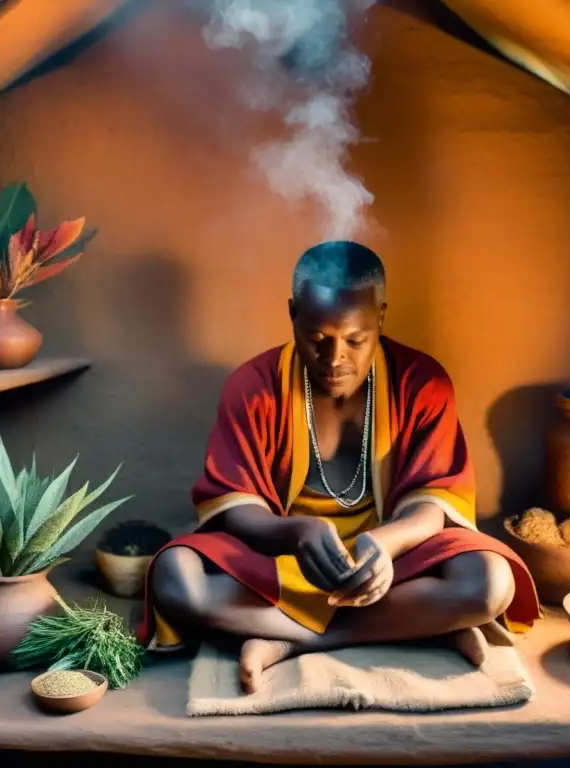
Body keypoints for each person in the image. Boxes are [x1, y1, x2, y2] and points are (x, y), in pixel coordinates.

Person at [137, 240, 541, 693]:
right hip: (284, 554)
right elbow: (234, 503)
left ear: (381, 316)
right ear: (293, 314)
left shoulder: (421, 380)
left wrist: (387, 543)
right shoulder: (252, 385)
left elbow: (436, 498)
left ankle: (289, 640)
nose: (334, 360)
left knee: (489, 582)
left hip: (393, 557)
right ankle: (420, 626)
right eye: (317, 339)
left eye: (354, 340)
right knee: (177, 578)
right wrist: (296, 533)